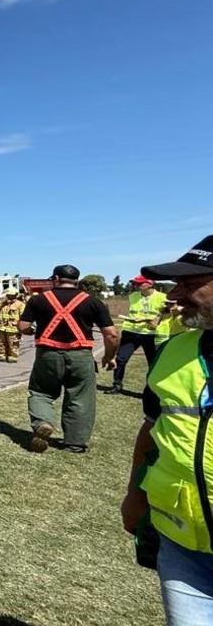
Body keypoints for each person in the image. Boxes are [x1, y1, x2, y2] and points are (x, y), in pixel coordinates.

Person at [119, 236, 213, 625]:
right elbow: (153, 429)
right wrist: (135, 493)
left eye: (190, 285)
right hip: (183, 544)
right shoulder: (176, 351)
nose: (176, 295)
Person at [17, 265, 119, 454]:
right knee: (80, 398)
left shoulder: (38, 300)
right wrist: (109, 356)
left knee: (41, 393)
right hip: (80, 356)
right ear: (76, 280)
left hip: (47, 355)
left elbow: (23, 326)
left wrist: (30, 330)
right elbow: (112, 334)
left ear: (56, 278)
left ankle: (43, 422)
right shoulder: (93, 302)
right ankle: (76, 443)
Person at [109, 275, 168, 394]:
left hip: (151, 334)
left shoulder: (163, 297)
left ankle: (152, 390)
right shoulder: (133, 296)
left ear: (150, 284)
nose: (136, 286)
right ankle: (117, 385)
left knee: (152, 363)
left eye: (140, 283)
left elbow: (167, 314)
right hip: (131, 333)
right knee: (120, 359)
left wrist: (150, 320)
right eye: (135, 283)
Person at [0, 287, 26, 363]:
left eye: (12, 295)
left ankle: (13, 357)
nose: (10, 296)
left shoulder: (20, 304)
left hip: (13, 328)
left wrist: (21, 328)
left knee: (13, 343)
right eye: (8, 295)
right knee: (1, 342)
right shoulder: (3, 303)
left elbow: (23, 316)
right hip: (2, 327)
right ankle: (1, 355)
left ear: (16, 295)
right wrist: (2, 302)